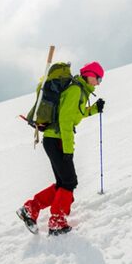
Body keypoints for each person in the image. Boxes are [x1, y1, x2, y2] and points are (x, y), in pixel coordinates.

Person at [17, 61, 105, 236]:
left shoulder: (79, 91)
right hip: (57, 139)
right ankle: (56, 221)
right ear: (89, 74)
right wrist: (67, 150)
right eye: (98, 78)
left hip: (54, 139)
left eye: (100, 80)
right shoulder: (75, 91)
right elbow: (65, 121)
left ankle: (30, 209)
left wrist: (94, 109)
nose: (98, 82)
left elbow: (74, 115)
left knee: (63, 183)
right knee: (70, 181)